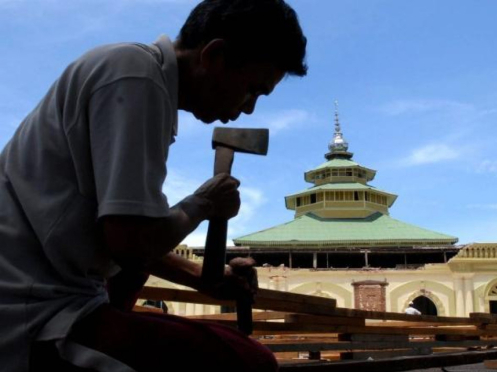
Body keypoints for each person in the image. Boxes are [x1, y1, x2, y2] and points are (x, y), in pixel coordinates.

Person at [0, 0, 307, 371]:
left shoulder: (141, 77)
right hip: (35, 318)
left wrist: (202, 277)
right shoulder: (136, 77)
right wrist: (202, 204)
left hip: (67, 299)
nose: (249, 110)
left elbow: (123, 232)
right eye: (252, 90)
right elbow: (131, 244)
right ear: (215, 55)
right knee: (251, 362)